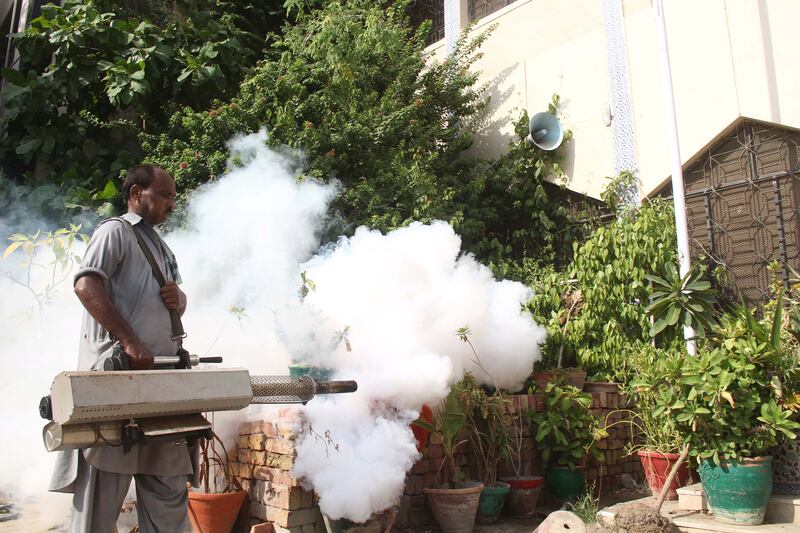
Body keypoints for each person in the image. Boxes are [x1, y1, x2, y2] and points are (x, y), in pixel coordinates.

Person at [49, 164, 193, 532]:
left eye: (172, 197)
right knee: (99, 500)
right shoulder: (115, 232)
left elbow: (164, 305)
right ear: (135, 195)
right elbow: (86, 286)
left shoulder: (161, 247)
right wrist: (129, 341)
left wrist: (180, 299)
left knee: (169, 494)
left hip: (162, 388)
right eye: (163, 195)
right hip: (117, 389)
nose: (170, 204)